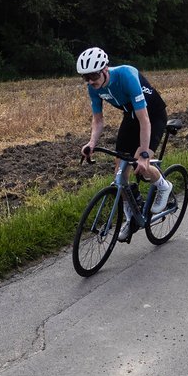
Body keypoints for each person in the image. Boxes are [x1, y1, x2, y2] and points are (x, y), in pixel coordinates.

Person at [76, 47, 172, 241]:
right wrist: (92, 142)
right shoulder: (93, 87)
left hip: (152, 116)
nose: (90, 81)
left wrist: (144, 155)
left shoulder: (126, 75)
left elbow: (144, 119)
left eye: (93, 76)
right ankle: (132, 218)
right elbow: (98, 120)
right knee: (120, 174)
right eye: (85, 78)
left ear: (105, 69)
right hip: (130, 117)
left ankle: (163, 185)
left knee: (140, 164)